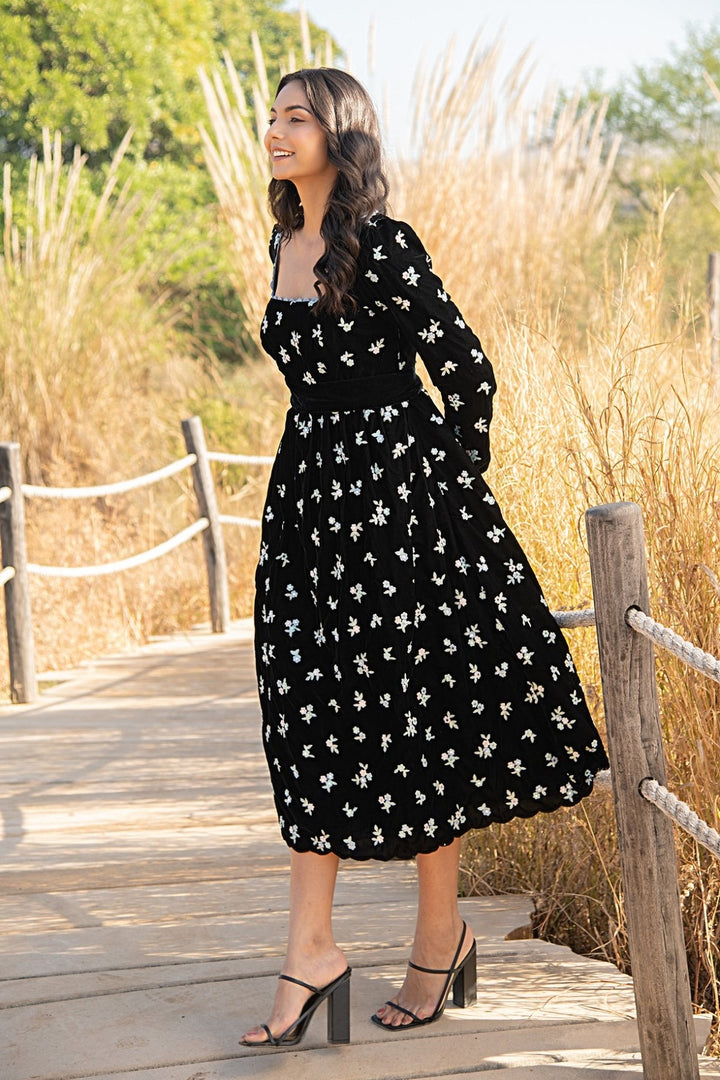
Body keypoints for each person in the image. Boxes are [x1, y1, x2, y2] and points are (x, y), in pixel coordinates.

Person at [240, 66, 609, 1048]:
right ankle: (316, 946)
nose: (275, 130)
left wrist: (438, 487)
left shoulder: (386, 245)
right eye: (272, 116)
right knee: (307, 710)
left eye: (296, 116)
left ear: (340, 132)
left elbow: (467, 372)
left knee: (415, 714)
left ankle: (435, 936)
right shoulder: (283, 242)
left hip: (398, 518)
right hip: (308, 513)